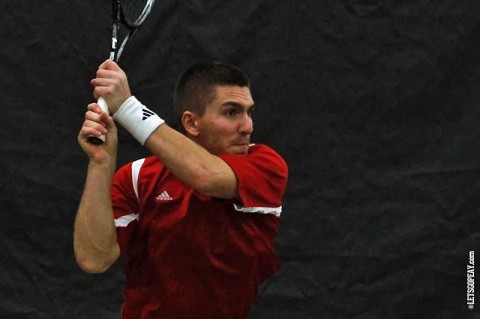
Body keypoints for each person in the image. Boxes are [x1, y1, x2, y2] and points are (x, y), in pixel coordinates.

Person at [74, 59, 288, 319]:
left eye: (249, 112)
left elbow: (205, 176)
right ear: (191, 123)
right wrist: (101, 163)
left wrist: (128, 108)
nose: (248, 127)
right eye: (232, 112)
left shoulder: (266, 166)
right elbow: (94, 260)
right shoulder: (137, 177)